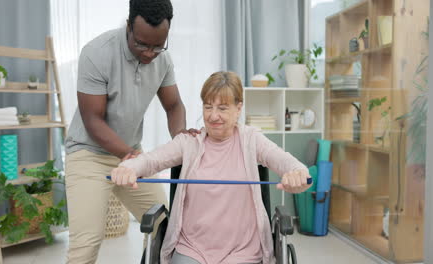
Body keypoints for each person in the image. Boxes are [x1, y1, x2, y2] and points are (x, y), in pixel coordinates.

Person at [110, 71, 312, 264]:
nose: (213, 116)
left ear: (238, 108)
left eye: (222, 108)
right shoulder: (188, 142)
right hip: (192, 248)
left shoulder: (252, 140)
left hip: (243, 251)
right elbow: (151, 160)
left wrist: (297, 174)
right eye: (208, 107)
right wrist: (128, 168)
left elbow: (287, 162)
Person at [64, 0, 199, 263]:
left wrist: (181, 137)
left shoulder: (163, 60)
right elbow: (93, 120)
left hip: (130, 156)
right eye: (141, 44)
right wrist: (130, 156)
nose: (149, 53)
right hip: (88, 155)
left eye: (158, 46)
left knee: (167, 226)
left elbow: (173, 105)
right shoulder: (96, 53)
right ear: (128, 26)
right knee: (86, 245)